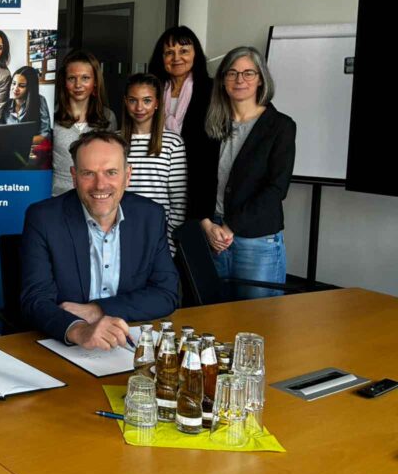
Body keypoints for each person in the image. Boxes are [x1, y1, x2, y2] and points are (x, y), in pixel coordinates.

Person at [21, 131, 178, 349]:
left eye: (111, 172)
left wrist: (97, 310)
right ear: (74, 177)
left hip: (128, 343)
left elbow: (166, 294)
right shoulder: (44, 218)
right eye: (88, 174)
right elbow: (36, 300)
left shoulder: (149, 216)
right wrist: (79, 329)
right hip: (64, 345)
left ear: (128, 175)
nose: (100, 185)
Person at [199, 47, 296, 299]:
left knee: (257, 323)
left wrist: (231, 227)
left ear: (261, 78)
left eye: (248, 73)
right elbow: (197, 180)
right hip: (212, 236)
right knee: (214, 319)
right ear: (222, 80)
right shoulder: (211, 124)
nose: (239, 80)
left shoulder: (281, 126)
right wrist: (207, 225)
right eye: (232, 73)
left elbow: (276, 189)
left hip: (257, 241)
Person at [146, 26, 218, 221]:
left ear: (196, 54)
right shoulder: (151, 90)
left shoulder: (212, 91)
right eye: (169, 52)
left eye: (184, 51)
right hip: (155, 181)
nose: (176, 58)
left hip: (197, 184)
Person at [121, 73, 187, 252]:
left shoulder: (173, 142)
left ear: (157, 103)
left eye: (147, 100)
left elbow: (179, 202)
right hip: (119, 233)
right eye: (133, 100)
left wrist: (170, 243)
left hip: (158, 238)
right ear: (126, 102)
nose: (139, 107)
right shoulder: (114, 141)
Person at [51, 50, 117, 196]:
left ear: (95, 82)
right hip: (57, 196)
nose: (78, 85)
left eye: (85, 78)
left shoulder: (107, 117)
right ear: (64, 82)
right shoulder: (51, 117)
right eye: (72, 78)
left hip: (96, 196)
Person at [2, 65, 52, 168]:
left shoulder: (39, 101)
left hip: (33, 152)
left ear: (30, 87)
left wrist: (21, 141)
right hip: (11, 152)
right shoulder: (6, 105)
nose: (15, 89)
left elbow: (45, 135)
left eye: (21, 85)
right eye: (14, 83)